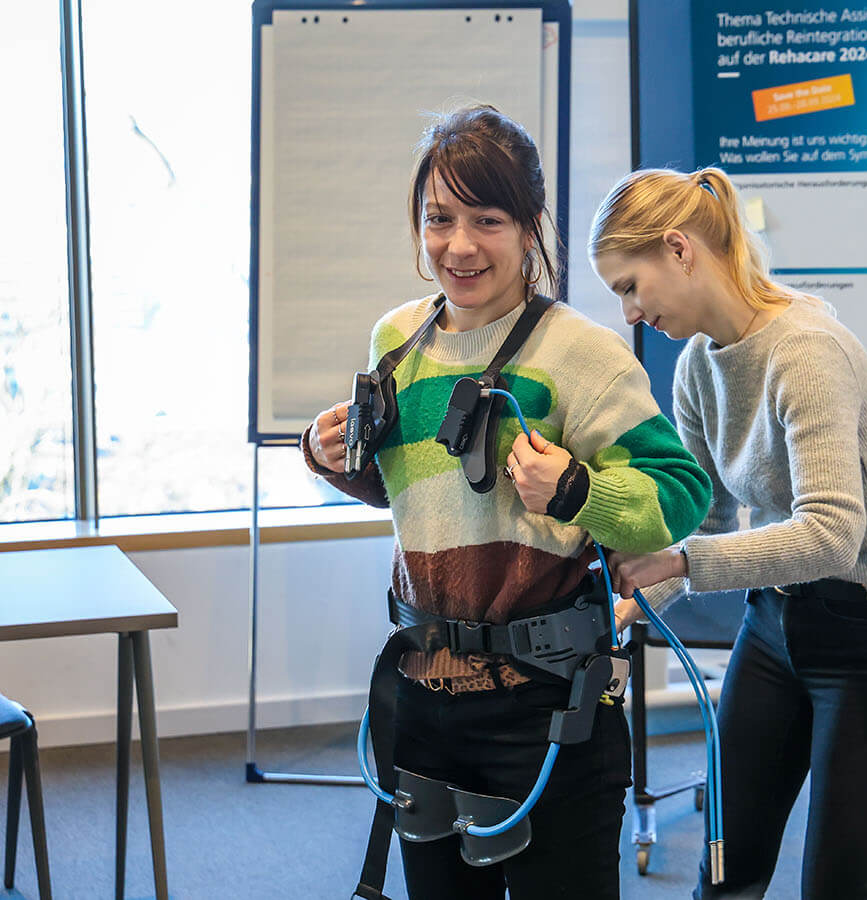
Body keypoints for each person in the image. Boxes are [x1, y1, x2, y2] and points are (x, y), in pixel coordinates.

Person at [302, 106, 711, 900]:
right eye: (438, 218)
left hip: (547, 706)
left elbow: (680, 495)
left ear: (529, 229)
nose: (458, 245)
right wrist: (334, 460)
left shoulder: (582, 355)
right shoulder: (396, 340)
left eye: (486, 220)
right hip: (424, 692)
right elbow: (419, 495)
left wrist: (577, 489)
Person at [589, 167, 867, 900]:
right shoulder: (694, 366)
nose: (627, 311)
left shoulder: (807, 350)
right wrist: (632, 599)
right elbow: (706, 520)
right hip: (776, 625)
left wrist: (678, 562)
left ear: (678, 249)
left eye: (629, 285)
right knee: (725, 867)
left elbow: (830, 536)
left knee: (832, 888)